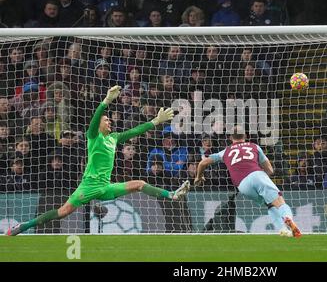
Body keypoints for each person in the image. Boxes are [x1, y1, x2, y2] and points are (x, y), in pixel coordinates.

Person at [5, 86, 190, 236]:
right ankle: (24, 226)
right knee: (62, 212)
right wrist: (106, 102)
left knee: (140, 184)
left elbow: (135, 131)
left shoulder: (114, 137)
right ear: (100, 124)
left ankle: (172, 195)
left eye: (109, 120)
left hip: (105, 186)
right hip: (89, 186)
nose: (109, 122)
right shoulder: (93, 137)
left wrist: (156, 121)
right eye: (106, 120)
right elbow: (94, 120)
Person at [194, 126, 301, 238]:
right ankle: (287, 217)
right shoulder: (254, 147)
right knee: (280, 202)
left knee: (269, 204)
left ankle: (283, 230)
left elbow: (203, 163)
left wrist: (198, 177)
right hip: (257, 175)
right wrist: (263, 179)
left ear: (231, 138)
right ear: (245, 136)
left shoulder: (225, 151)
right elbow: (270, 170)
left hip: (242, 186)